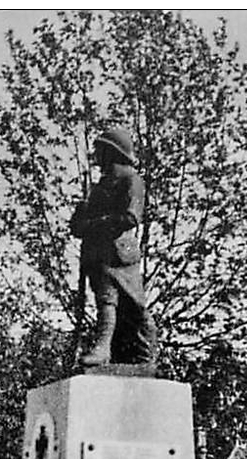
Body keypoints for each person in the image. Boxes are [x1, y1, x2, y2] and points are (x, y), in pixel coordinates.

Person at [70, 124, 158, 367]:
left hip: (119, 253)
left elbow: (131, 217)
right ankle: (104, 348)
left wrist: (95, 223)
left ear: (113, 152)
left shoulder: (131, 179)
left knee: (133, 308)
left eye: (101, 150)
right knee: (105, 300)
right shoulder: (98, 187)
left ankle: (142, 351)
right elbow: (77, 227)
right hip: (97, 254)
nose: (96, 156)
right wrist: (83, 216)